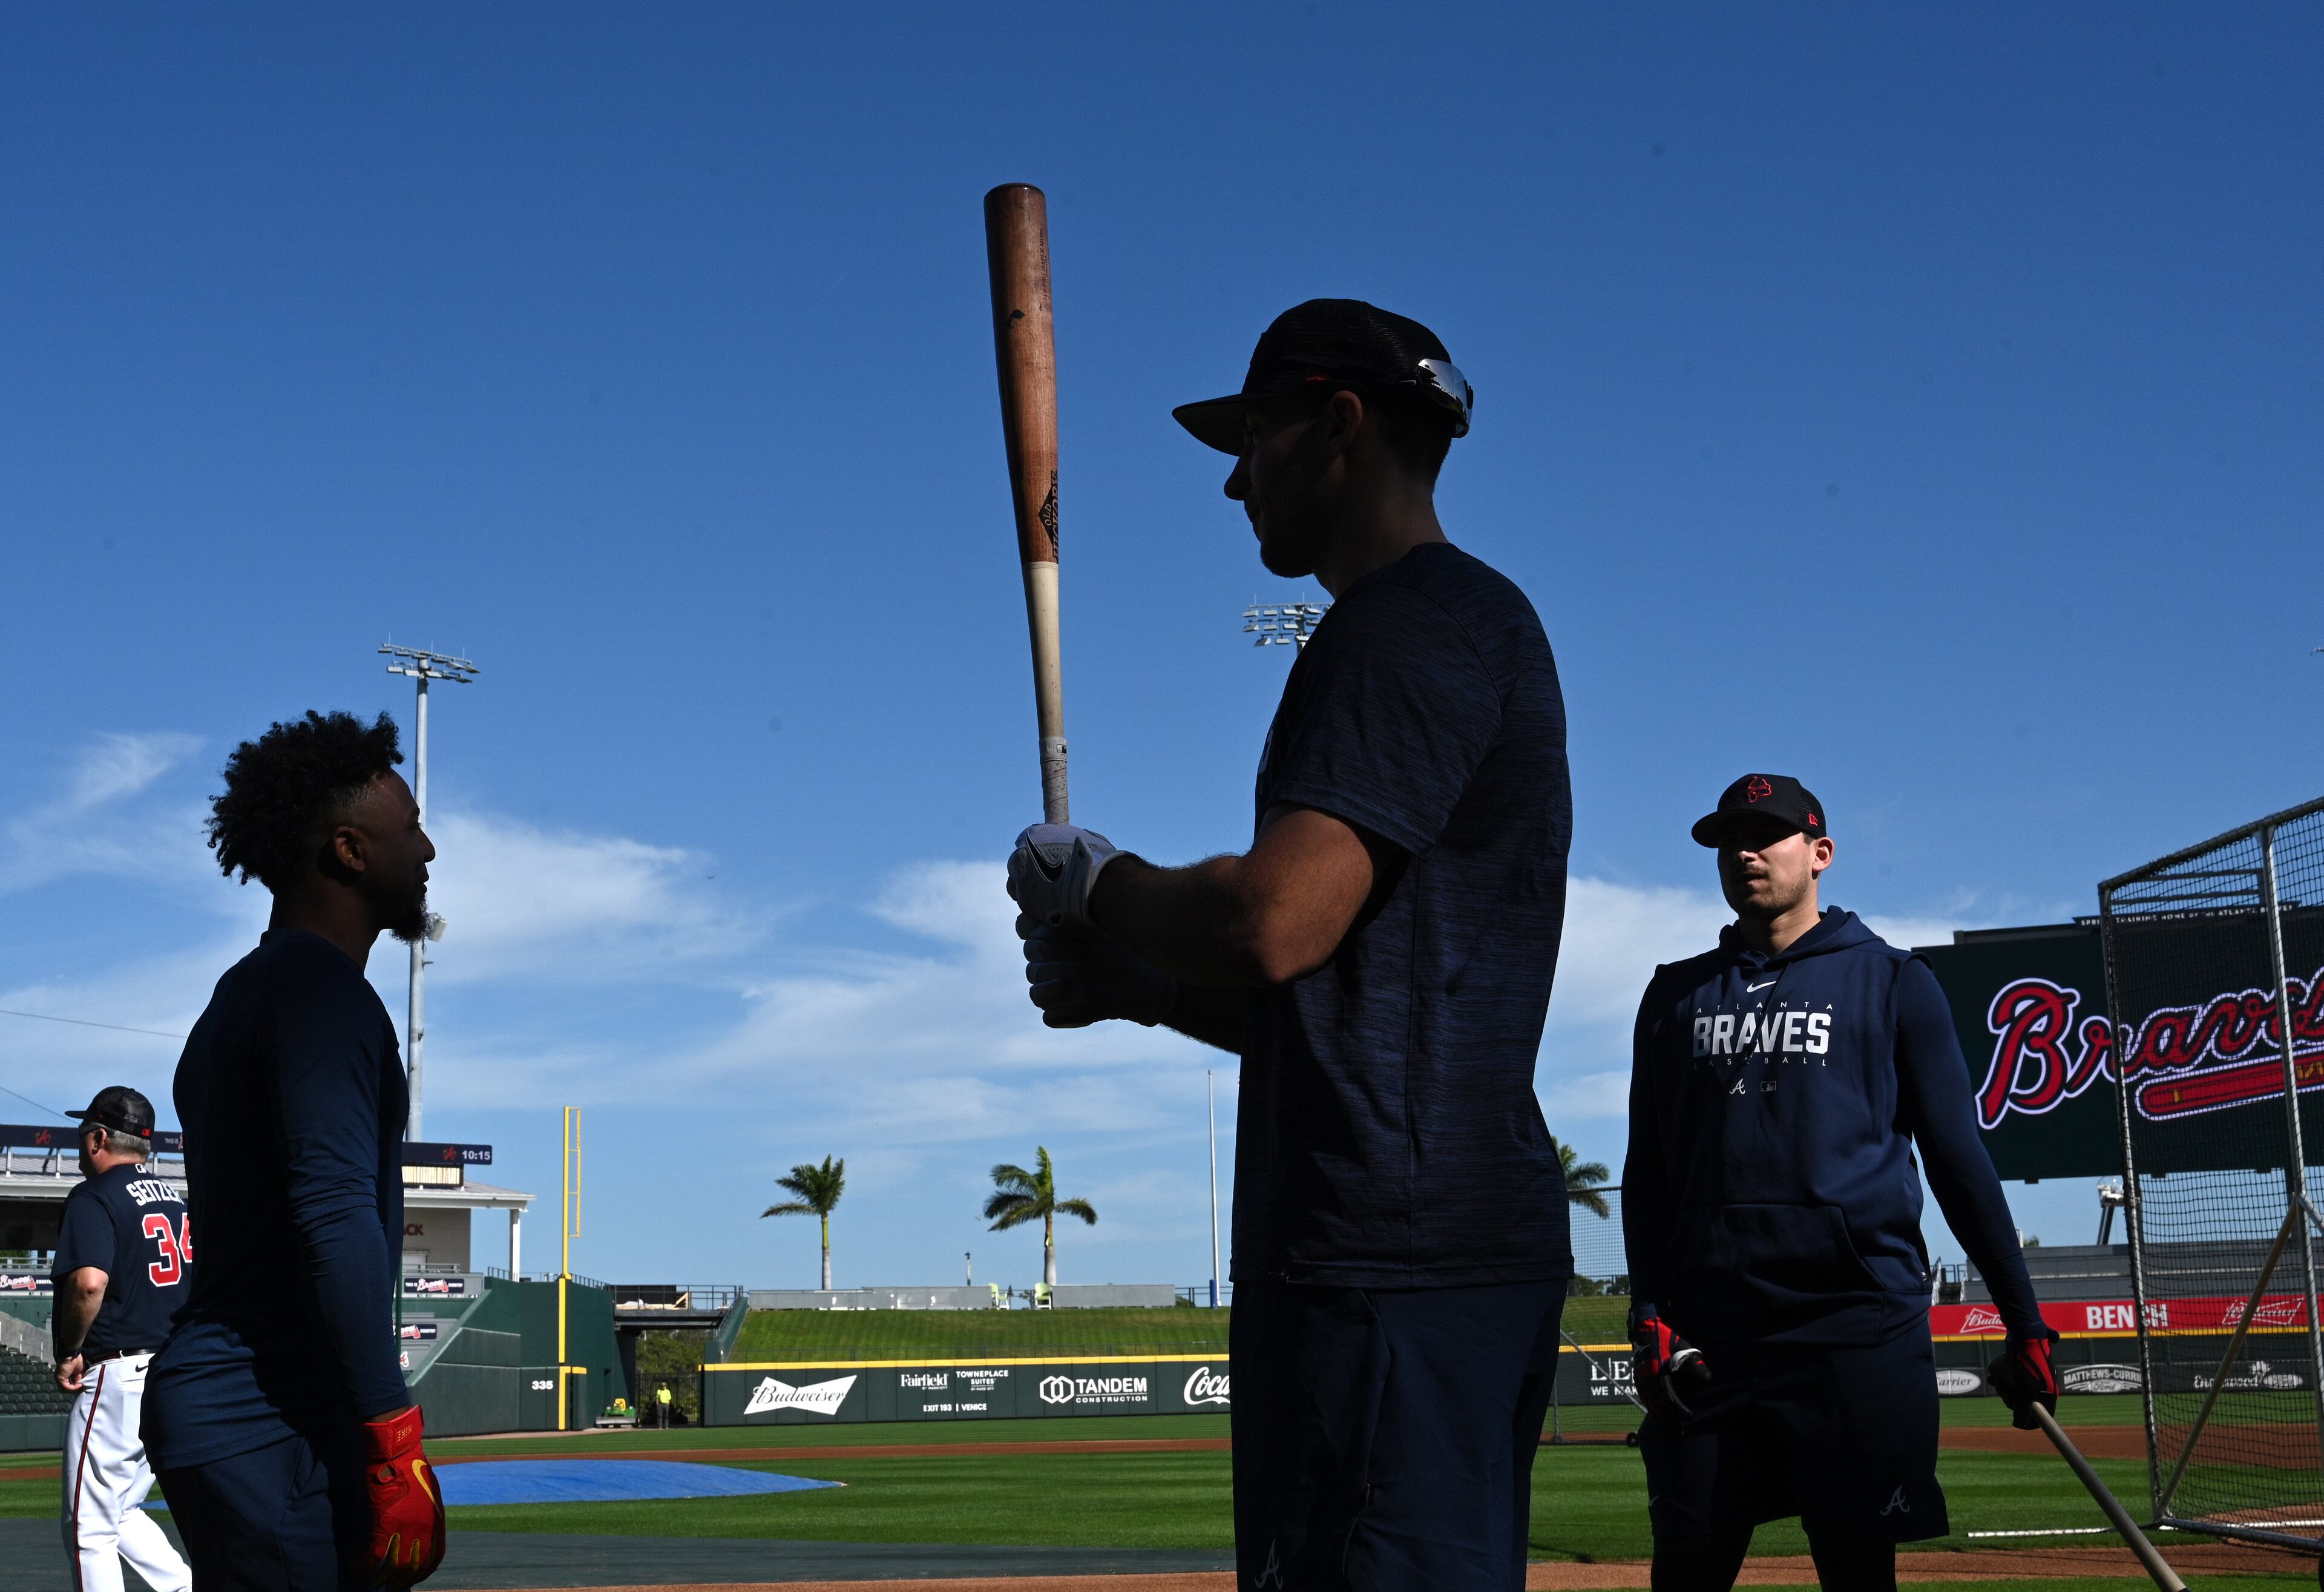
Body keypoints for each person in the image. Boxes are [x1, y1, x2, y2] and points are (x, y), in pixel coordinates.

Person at [1008, 299, 1574, 1590]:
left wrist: (1099, 884)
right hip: (1406, 1245)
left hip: (1390, 1255)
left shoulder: (1406, 626)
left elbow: (1272, 921)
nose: (1230, 476)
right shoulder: (1445, 625)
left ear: (1340, 426)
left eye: (1253, 434)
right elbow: (1346, 992)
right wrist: (1137, 987)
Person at [1622, 774, 2058, 1592]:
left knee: (1858, 1573)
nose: (1744, 850)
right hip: (1712, 1339)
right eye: (1729, 839)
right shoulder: (1673, 993)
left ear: (1820, 853)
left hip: (1854, 1331)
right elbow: (1647, 1168)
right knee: (1686, 1570)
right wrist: (1649, 1307)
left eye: (1767, 833)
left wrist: (2024, 1318)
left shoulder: (1894, 979)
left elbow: (1959, 1162)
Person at [142, 710, 445, 1590]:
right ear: (349, 851)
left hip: (249, 1410)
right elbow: (334, 1212)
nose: (428, 850)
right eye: (410, 827)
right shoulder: (321, 998)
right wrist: (393, 1433)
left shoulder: (244, 990)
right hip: (263, 1415)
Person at [53, 1085, 192, 1592]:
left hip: (118, 1374)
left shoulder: (94, 1195)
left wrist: (70, 1351)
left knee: (88, 1528)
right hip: (170, 1371)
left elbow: (89, 1282)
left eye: (84, 1132)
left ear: (99, 1138)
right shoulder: (174, 1199)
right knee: (123, 1510)